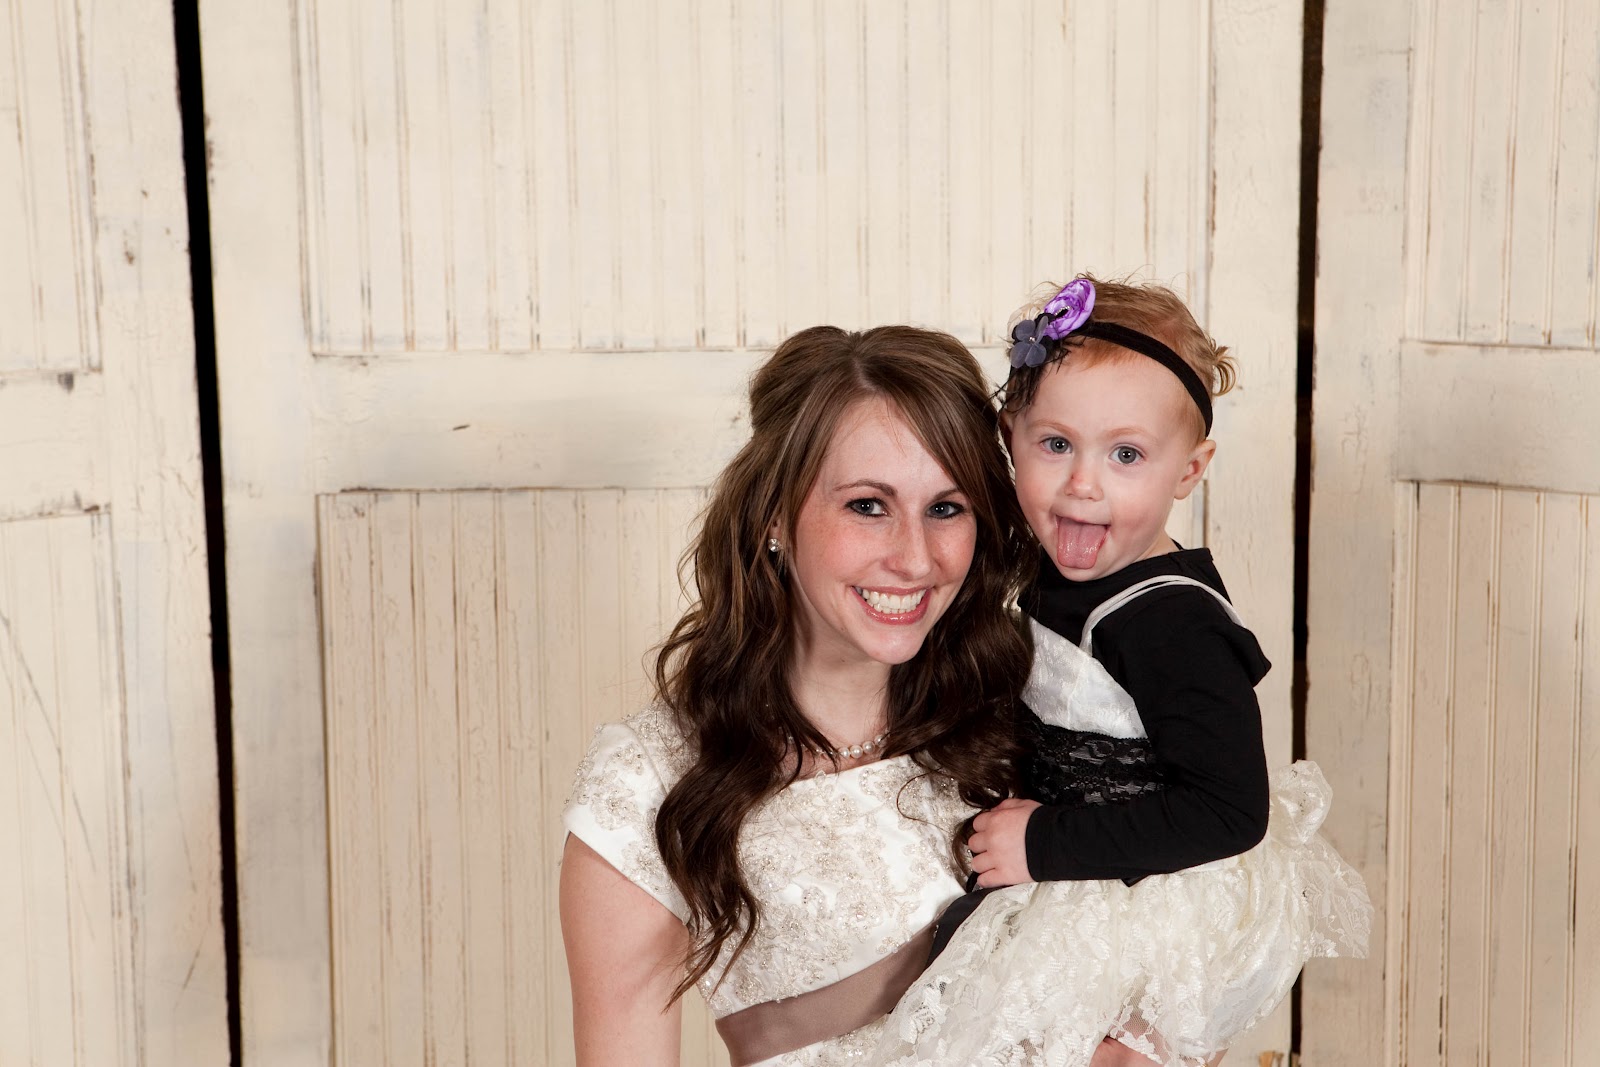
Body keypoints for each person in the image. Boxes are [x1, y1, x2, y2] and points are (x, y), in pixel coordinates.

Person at [872, 276, 1372, 1067]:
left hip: (1161, 887)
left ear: (1189, 470)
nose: (1083, 482)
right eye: (1056, 444)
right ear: (1010, 437)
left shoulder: (1175, 625)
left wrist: (1045, 841)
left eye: (1127, 454)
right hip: (1086, 864)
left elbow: (1229, 810)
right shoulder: (1049, 564)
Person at [559, 324, 1035, 1065]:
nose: (915, 559)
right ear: (776, 515)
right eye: (868, 505)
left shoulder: (1024, 718)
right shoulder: (651, 778)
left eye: (947, 508)